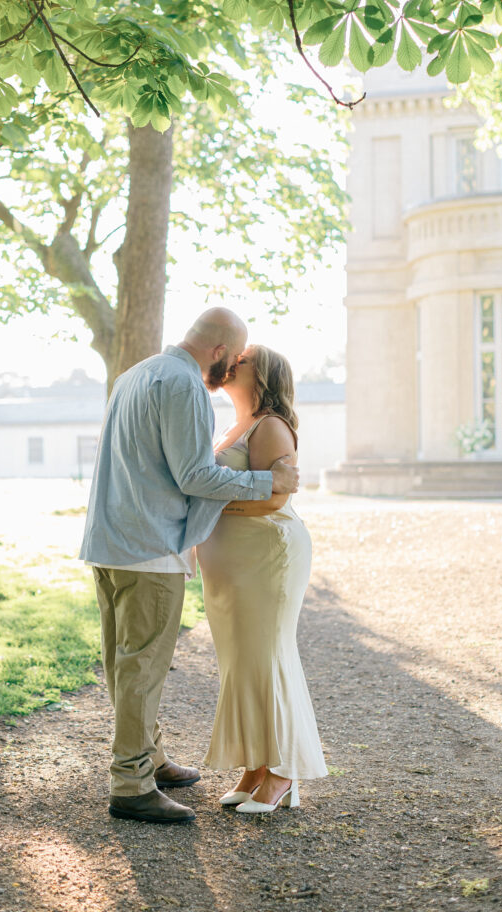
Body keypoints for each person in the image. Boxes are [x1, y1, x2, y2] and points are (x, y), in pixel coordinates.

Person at [79, 310, 300, 824]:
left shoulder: (134, 375)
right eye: (235, 356)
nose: (233, 368)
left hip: (109, 540)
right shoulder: (185, 387)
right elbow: (195, 475)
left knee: (122, 661)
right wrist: (270, 483)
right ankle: (132, 783)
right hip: (149, 547)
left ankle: (149, 757)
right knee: (142, 665)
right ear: (221, 351)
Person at [196, 344, 327, 814]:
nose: (232, 362)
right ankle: (254, 765)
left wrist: (209, 508)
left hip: (266, 556)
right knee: (241, 664)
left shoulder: (270, 425)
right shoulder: (234, 425)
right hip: (230, 566)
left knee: (267, 657)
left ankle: (283, 772)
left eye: (243, 360)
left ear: (263, 376)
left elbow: (273, 499)